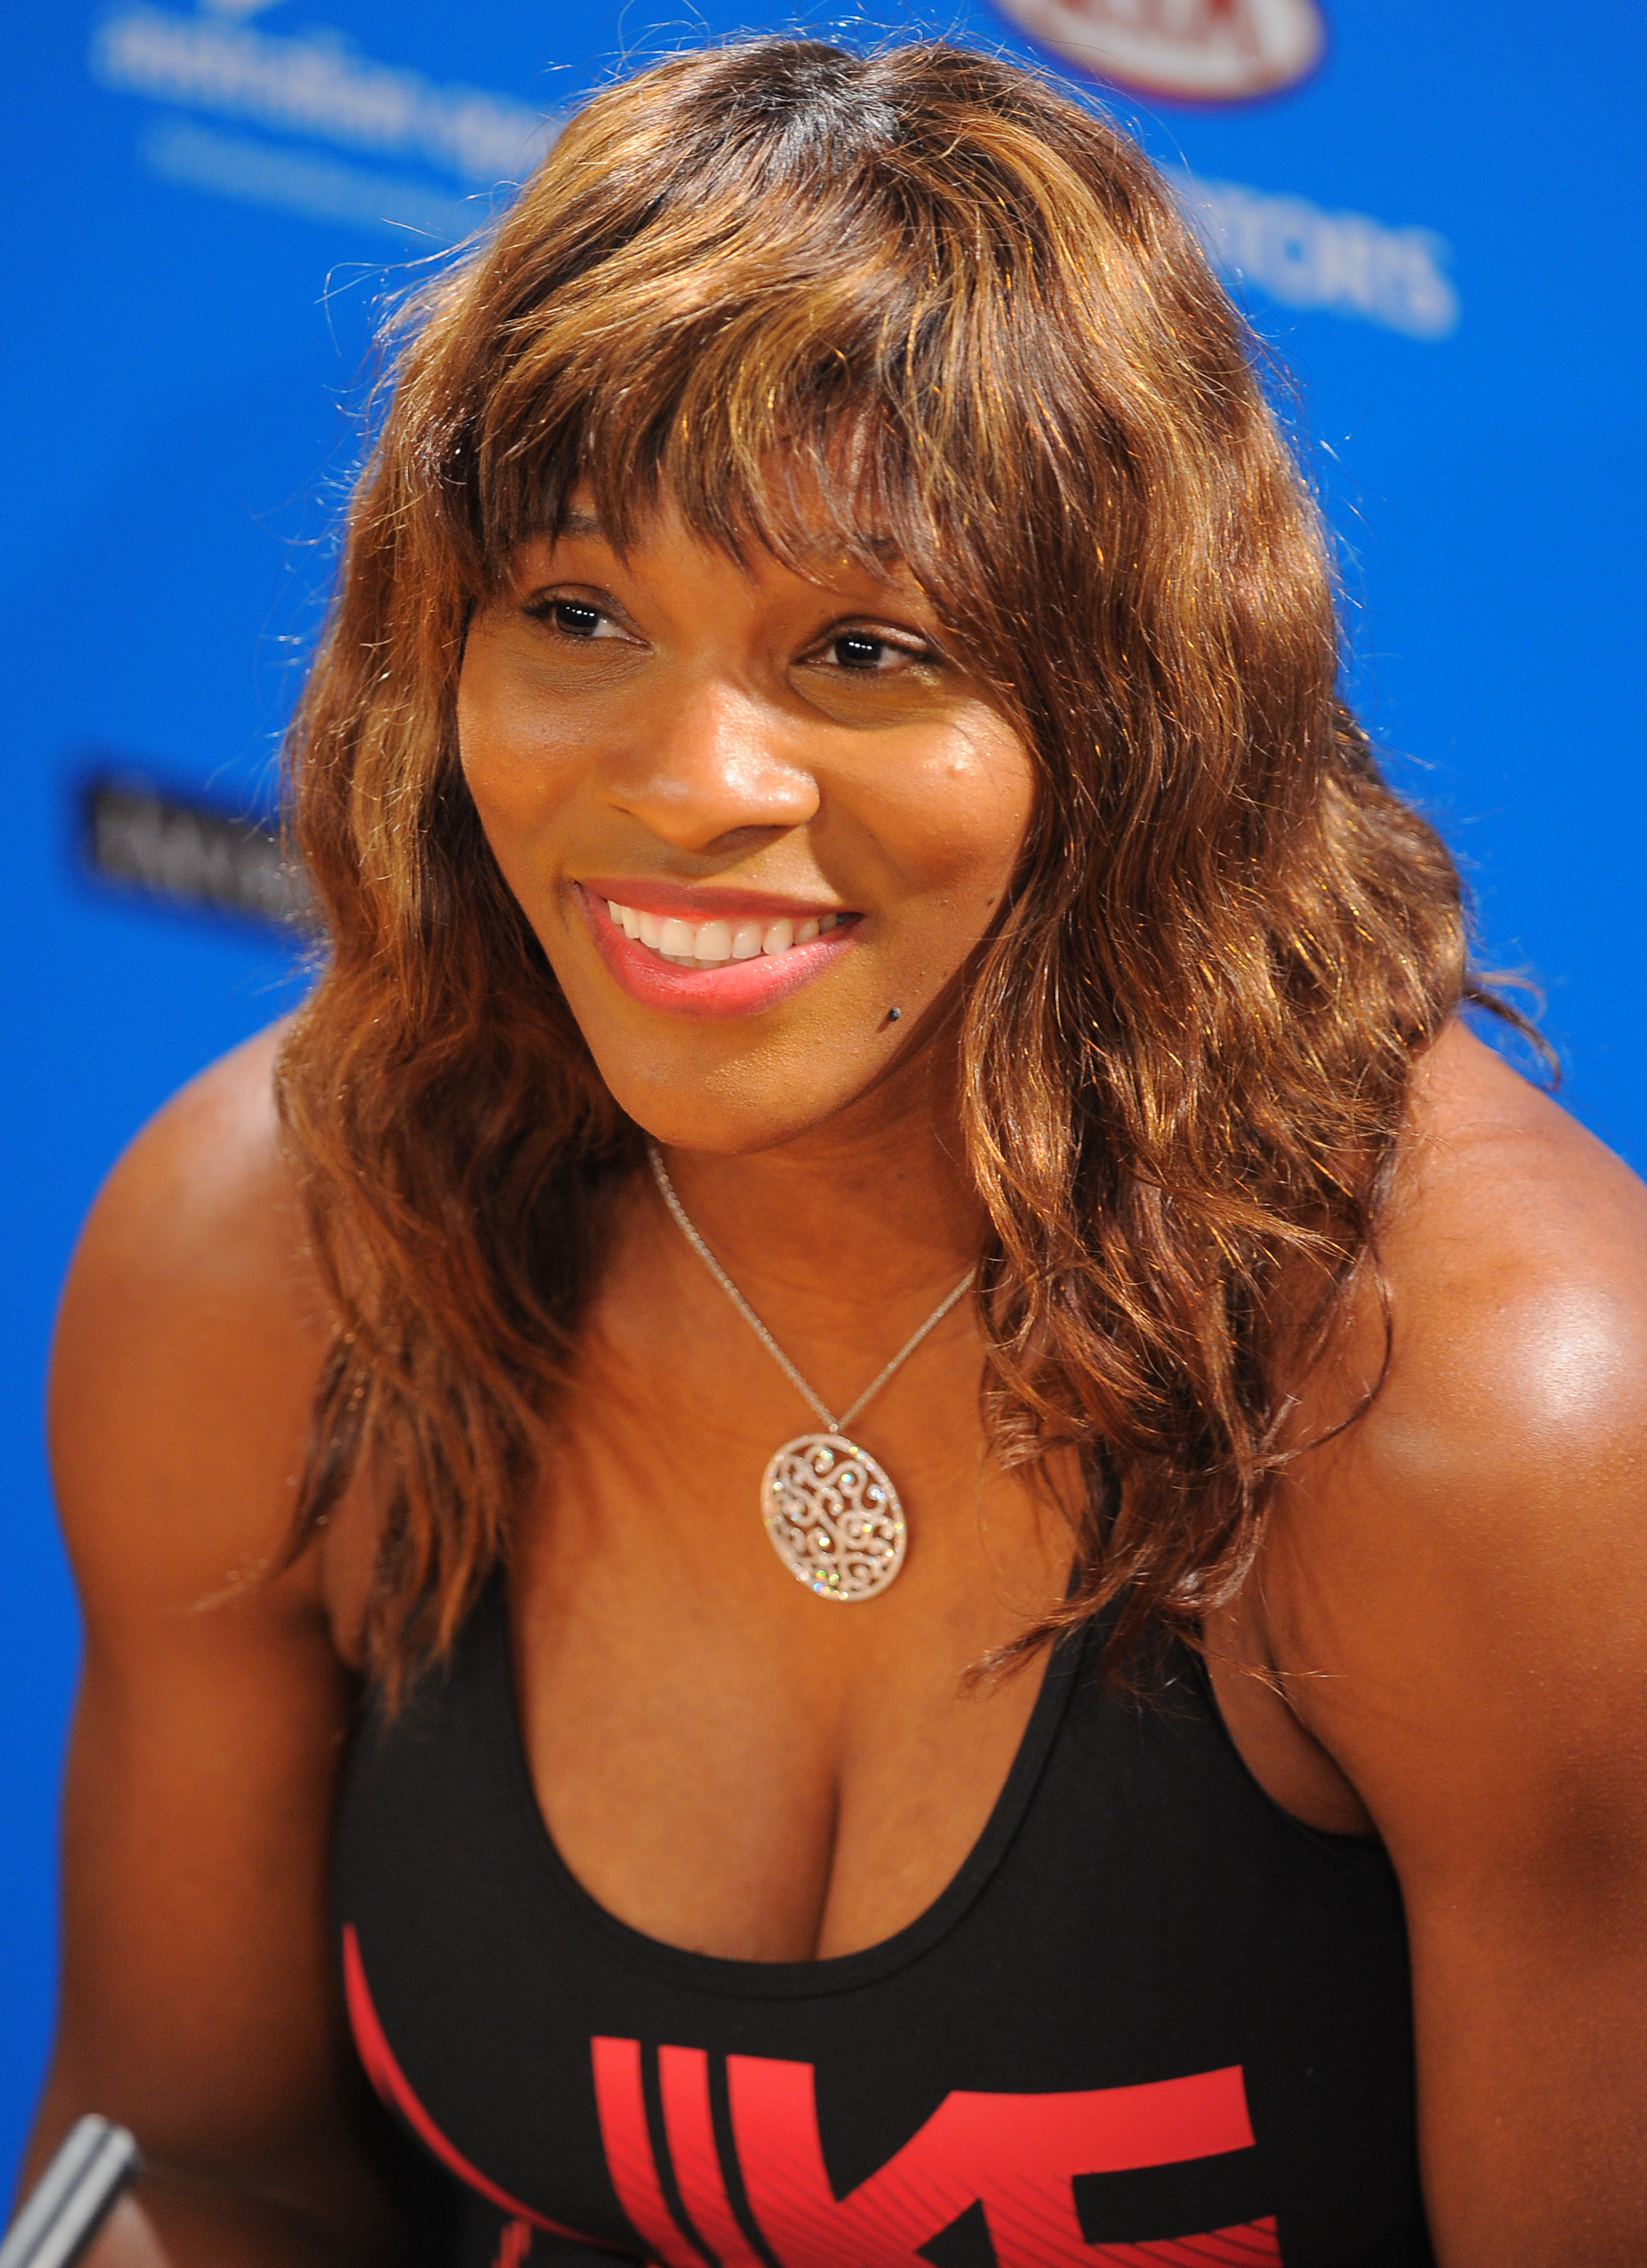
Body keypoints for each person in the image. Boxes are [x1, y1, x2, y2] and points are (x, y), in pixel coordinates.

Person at [23, 34, 1647, 2268]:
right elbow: (189, 2162)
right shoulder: (273, 1252)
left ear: (1134, 709)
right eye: (577, 614)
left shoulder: (1500, 1417)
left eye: (866, 649)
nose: (692, 781)